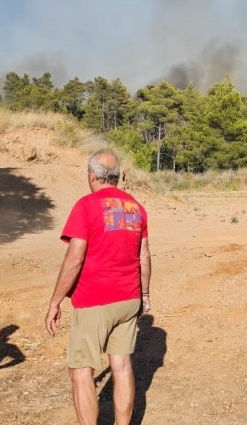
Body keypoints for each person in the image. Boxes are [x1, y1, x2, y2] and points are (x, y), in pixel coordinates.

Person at [45, 149, 152, 425]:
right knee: (122, 365)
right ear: (118, 176)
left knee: (81, 371)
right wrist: (145, 294)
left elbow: (75, 257)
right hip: (129, 298)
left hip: (95, 299)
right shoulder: (136, 207)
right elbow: (144, 255)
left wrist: (55, 301)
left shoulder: (86, 206)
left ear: (92, 175)